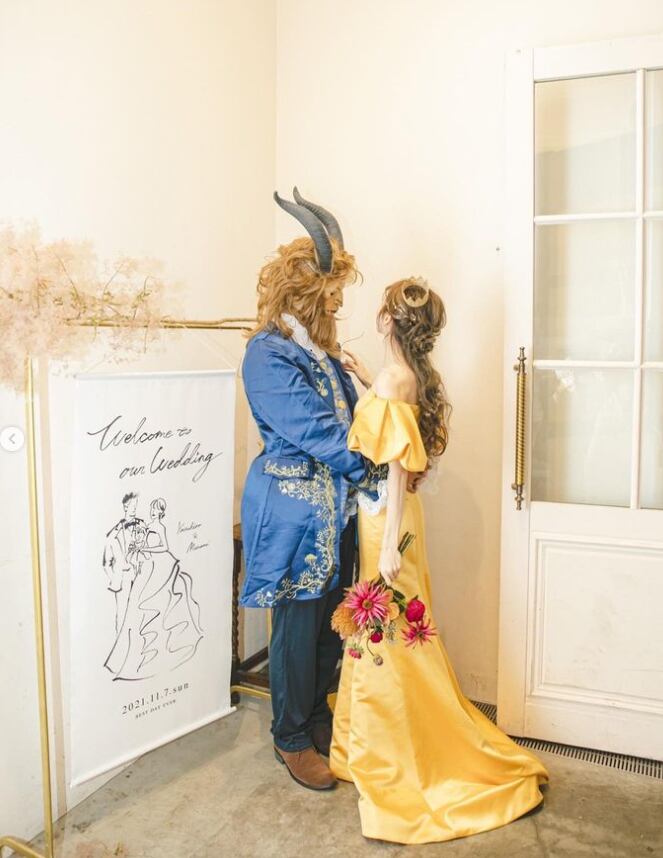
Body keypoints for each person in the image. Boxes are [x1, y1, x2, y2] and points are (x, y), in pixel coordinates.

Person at [330, 276, 549, 844]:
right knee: (394, 624)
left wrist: (385, 545)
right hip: (397, 514)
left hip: (386, 516)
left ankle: (393, 745)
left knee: (391, 625)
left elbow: (396, 463)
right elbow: (394, 430)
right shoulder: (405, 375)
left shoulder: (394, 378)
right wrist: (364, 379)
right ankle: (379, 736)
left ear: (388, 320)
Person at [240, 188, 381, 791]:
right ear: (303, 294)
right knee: (297, 630)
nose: (338, 305)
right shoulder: (268, 355)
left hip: (337, 510)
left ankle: (319, 717)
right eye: (331, 294)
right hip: (295, 514)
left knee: (330, 623)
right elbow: (319, 432)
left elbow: (352, 419)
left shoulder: (318, 350)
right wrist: (375, 472)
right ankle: (291, 737)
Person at [104, 497, 203, 680]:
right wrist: (140, 547)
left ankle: (155, 654)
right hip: (148, 566)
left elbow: (164, 547)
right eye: (152, 509)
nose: (153, 512)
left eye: (156, 510)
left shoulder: (160, 527)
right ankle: (126, 656)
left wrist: (146, 549)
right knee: (136, 606)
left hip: (159, 565)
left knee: (154, 605)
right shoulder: (147, 525)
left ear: (161, 512)